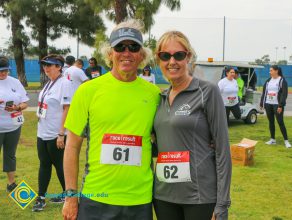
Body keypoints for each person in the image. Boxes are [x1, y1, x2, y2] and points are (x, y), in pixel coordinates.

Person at [62, 19, 160, 220]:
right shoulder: (87, 91)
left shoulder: (154, 95)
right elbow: (72, 146)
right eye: (119, 47)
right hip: (96, 197)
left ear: (142, 55)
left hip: (139, 200)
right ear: (109, 53)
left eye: (133, 47)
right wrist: (71, 197)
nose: (126, 52)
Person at [153, 31, 231, 220]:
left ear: (188, 57)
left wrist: (222, 204)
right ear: (159, 60)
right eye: (165, 56)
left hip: (200, 196)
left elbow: (222, 150)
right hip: (163, 197)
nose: (172, 61)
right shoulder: (159, 98)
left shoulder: (207, 91)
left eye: (178, 55)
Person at [32, 54, 73, 212]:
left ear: (59, 67)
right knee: (44, 164)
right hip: (42, 131)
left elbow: (67, 108)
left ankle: (67, 194)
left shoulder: (64, 83)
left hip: (56, 133)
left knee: (60, 165)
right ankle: (41, 197)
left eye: (50, 65)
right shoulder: (49, 83)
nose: (46, 68)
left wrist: (61, 133)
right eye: (44, 65)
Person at [0, 55, 29, 192]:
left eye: (5, 70)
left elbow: (24, 103)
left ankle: (11, 184)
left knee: (10, 155)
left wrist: (17, 108)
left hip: (13, 126)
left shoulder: (15, 82)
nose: (3, 73)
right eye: (0, 70)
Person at [260, 65, 291, 148]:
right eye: (270, 70)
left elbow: (284, 94)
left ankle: (286, 141)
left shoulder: (282, 80)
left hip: (277, 105)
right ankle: (272, 139)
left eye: (271, 70)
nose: (269, 72)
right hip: (268, 104)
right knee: (271, 122)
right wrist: (262, 104)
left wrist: (280, 105)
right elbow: (264, 92)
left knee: (280, 122)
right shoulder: (268, 81)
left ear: (276, 71)